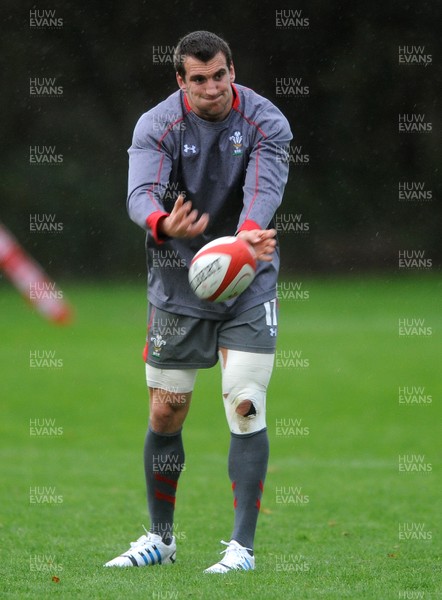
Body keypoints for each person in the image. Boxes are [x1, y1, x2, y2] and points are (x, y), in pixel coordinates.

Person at [104, 30, 292, 573]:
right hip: (175, 281)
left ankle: (242, 550)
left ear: (233, 70)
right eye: (199, 79)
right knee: (166, 410)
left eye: (220, 76)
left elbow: (265, 188)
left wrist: (249, 235)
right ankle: (161, 540)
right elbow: (141, 193)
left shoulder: (267, 122)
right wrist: (164, 222)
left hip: (247, 276)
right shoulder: (157, 124)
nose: (212, 88)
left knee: (245, 401)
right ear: (181, 81)